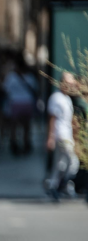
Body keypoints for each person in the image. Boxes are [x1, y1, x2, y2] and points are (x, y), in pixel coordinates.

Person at [46, 73, 80, 201]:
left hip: (67, 134)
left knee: (60, 164)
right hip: (61, 135)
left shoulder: (67, 98)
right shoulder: (56, 98)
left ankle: (53, 186)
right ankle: (61, 186)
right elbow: (52, 119)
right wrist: (50, 137)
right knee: (73, 162)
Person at [2, 60, 37, 156]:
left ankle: (14, 143)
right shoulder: (30, 77)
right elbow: (35, 89)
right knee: (26, 126)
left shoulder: (11, 77)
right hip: (27, 102)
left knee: (14, 126)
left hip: (15, 103)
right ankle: (26, 144)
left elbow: (5, 89)